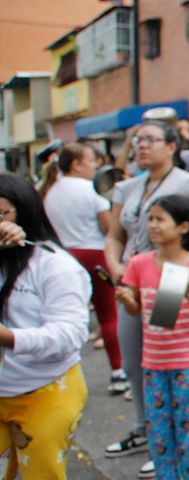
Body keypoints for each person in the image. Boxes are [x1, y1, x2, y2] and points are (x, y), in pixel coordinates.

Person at [103, 120, 189, 478]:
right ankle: (149, 436)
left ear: (171, 146)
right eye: (137, 140)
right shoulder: (127, 186)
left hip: (172, 277)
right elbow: (113, 235)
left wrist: (174, 236)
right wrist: (117, 268)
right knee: (136, 359)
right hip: (138, 274)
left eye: (150, 140)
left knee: (187, 419)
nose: (141, 146)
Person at [116, 195, 189, 480]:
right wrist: (126, 300)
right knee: (160, 437)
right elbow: (138, 311)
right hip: (153, 365)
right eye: (150, 219)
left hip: (187, 364)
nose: (153, 226)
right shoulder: (138, 264)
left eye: (160, 219)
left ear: (184, 227)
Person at [0, 173, 91, 480]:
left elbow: (70, 333)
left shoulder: (55, 265)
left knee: (41, 474)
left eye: (1, 213)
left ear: (24, 211)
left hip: (46, 389)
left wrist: (7, 338)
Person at [43, 142, 127, 394]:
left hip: (64, 255)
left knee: (68, 316)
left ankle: (64, 374)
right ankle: (118, 371)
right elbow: (108, 228)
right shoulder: (90, 190)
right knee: (108, 313)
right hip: (94, 255)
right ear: (76, 164)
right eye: (91, 161)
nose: (95, 166)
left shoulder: (50, 191)